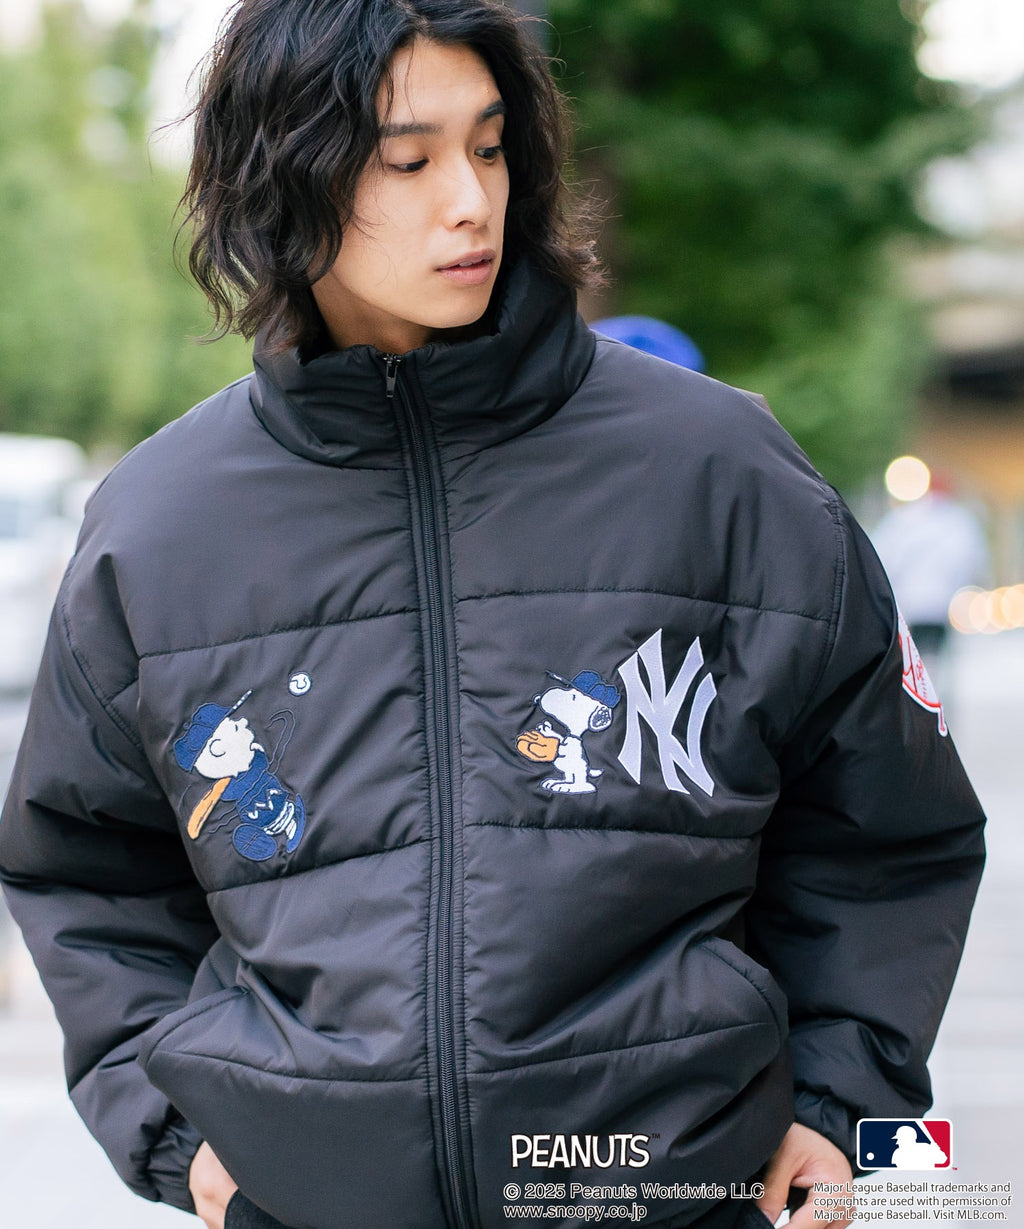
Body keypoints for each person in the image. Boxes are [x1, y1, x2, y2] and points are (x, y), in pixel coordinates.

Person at [0, 3, 985, 1229]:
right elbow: (85, 863)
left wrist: (837, 1103)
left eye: (488, 145)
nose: (469, 201)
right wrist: (179, 1131)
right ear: (281, 175)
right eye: (406, 161)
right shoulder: (159, 522)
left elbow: (885, 827)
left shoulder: (719, 470)